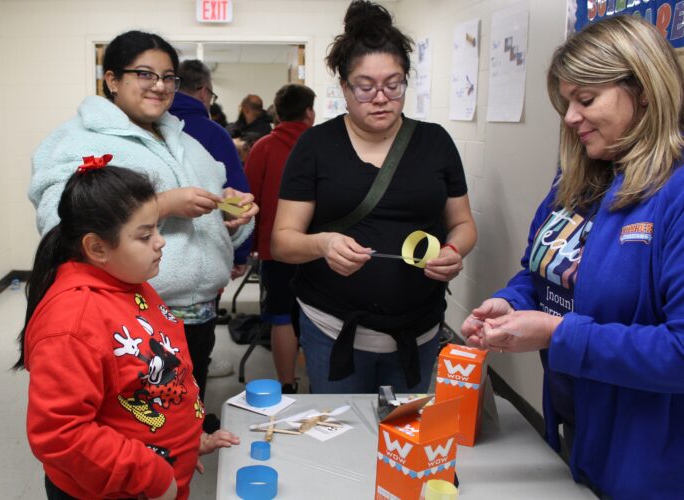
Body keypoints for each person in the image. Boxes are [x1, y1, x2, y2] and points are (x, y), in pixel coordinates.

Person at [461, 15, 684, 498]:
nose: (570, 117)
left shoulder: (675, 194)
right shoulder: (579, 178)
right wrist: (512, 303)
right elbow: (540, 272)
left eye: (586, 100)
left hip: (647, 456)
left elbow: (679, 352)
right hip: (576, 422)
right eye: (567, 102)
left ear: (644, 90)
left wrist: (559, 334)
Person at [29, 31, 258, 435]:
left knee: (180, 421)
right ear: (112, 79)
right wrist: (164, 204)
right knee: (130, 429)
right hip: (128, 325)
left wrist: (235, 216)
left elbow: (212, 228)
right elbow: (64, 226)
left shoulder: (187, 143)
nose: (160, 85)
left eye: (169, 77)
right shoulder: (75, 142)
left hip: (196, 316)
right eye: (145, 74)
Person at [271, 0, 476, 394]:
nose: (380, 97)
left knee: (404, 442)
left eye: (393, 84)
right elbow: (282, 241)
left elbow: (464, 223)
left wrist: (454, 250)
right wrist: (323, 243)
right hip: (332, 328)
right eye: (365, 87)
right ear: (344, 87)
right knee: (339, 441)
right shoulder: (315, 145)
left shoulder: (435, 143)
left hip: (420, 328)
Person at [16, 160, 240, 500]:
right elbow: (61, 434)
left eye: (158, 229)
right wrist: (149, 473)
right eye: (145, 235)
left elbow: (152, 379)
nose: (160, 242)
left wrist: (187, 440)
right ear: (97, 248)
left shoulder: (130, 282)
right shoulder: (71, 323)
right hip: (121, 489)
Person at [245, 84, 316, 393]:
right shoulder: (323, 146)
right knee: (320, 316)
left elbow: (250, 203)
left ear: (277, 113)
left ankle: (287, 385)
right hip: (319, 249)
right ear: (310, 113)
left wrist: (250, 248)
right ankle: (322, 383)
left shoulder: (263, 147)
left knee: (281, 316)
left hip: (277, 250)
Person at [169, 59, 253, 283]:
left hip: (150, 263)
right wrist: (240, 254)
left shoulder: (148, 127)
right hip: (202, 262)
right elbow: (234, 199)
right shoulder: (215, 134)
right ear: (204, 93)